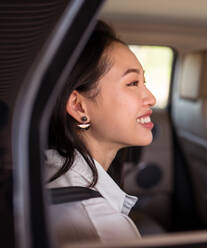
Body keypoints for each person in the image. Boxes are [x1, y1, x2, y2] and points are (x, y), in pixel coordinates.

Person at [46, 20, 156, 245]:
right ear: (79, 106)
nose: (151, 98)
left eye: (145, 82)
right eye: (133, 83)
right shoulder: (100, 228)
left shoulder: (48, 166)